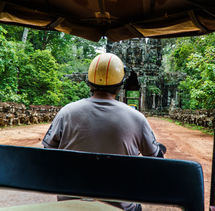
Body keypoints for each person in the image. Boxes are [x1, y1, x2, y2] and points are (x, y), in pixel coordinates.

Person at [42, 53, 166, 211]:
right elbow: (156, 161)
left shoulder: (67, 112)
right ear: (120, 85)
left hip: (70, 206)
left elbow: (47, 154)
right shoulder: (137, 118)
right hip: (119, 208)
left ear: (89, 82)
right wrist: (159, 150)